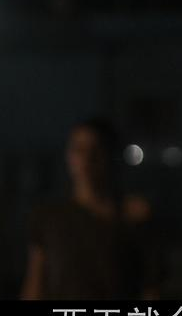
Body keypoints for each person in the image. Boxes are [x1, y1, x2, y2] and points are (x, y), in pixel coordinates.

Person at [21, 118, 163, 300]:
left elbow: (151, 288)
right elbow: (34, 286)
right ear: (68, 156)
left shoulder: (132, 217)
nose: (87, 158)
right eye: (78, 149)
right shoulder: (49, 217)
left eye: (96, 149)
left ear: (109, 155)